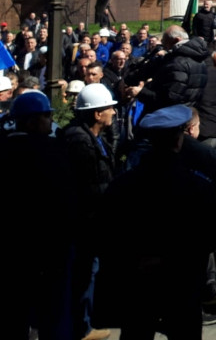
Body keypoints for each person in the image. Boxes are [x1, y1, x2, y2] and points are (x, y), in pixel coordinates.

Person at [101, 105, 216, 340]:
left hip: (139, 281)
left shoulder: (123, 186)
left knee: (137, 331)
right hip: (182, 280)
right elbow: (212, 236)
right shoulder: (197, 186)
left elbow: (108, 234)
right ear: (179, 140)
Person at [1, 91, 77, 340]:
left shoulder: (5, 148)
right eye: (46, 116)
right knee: (52, 315)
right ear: (33, 120)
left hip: (13, 248)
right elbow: (65, 200)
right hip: (49, 248)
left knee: (14, 312)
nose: (49, 121)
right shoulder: (51, 151)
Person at [62, 84, 117, 340]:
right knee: (83, 273)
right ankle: (80, 329)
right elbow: (87, 188)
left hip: (90, 222)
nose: (114, 113)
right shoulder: (80, 141)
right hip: (84, 224)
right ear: (96, 114)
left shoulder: (91, 137)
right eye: (109, 108)